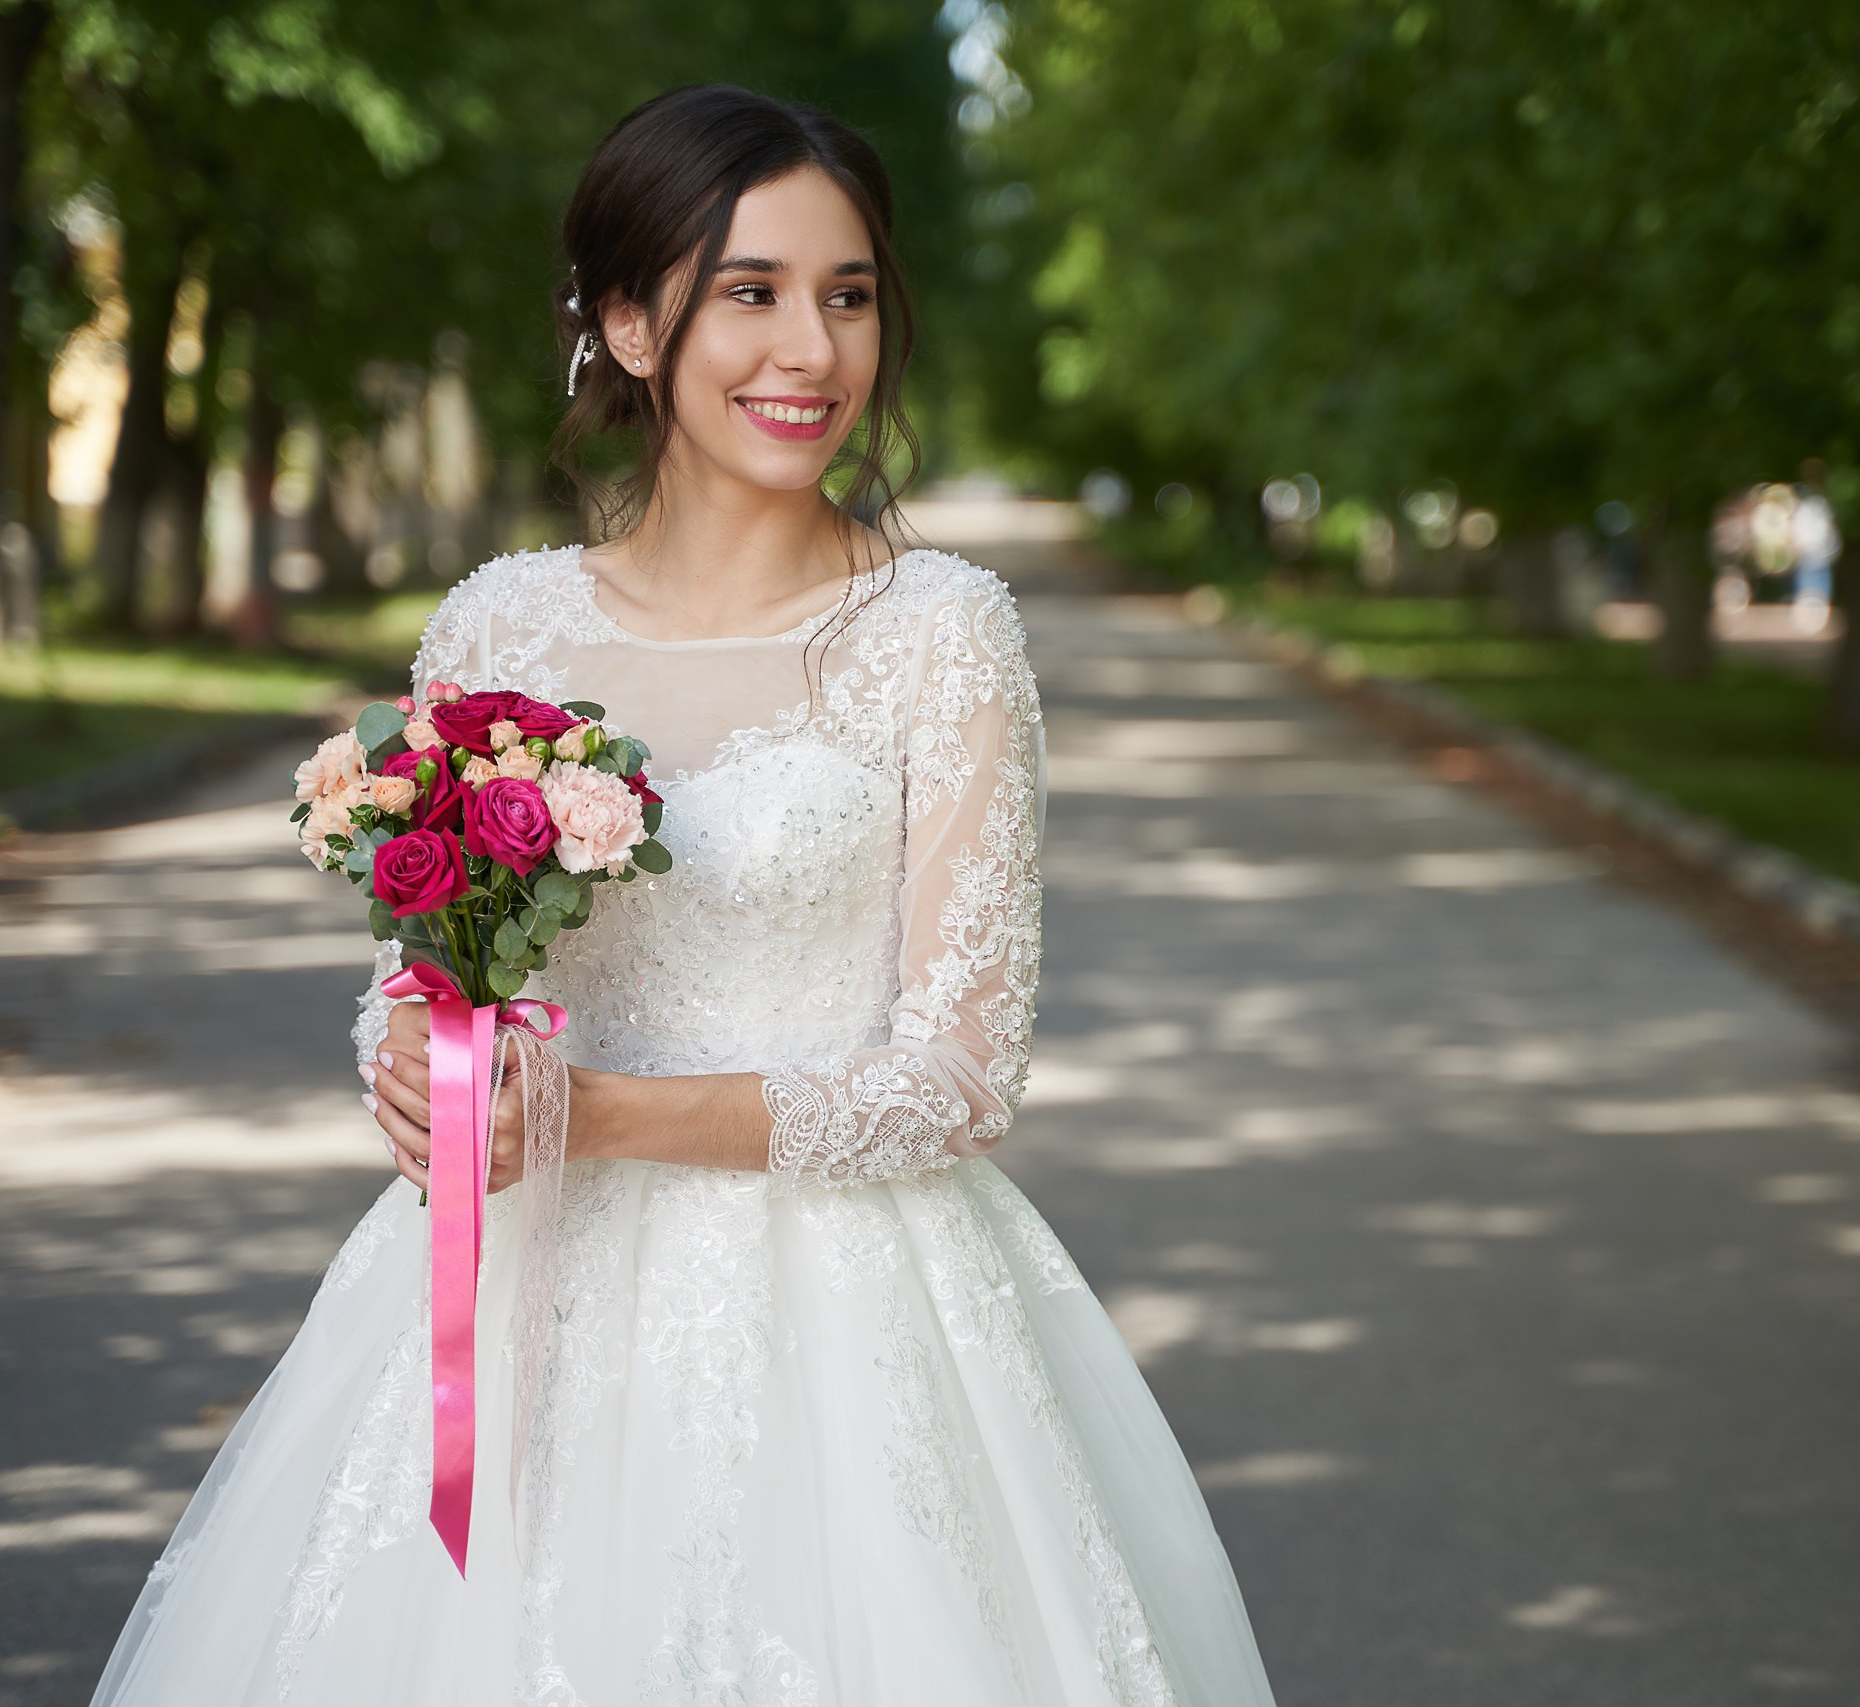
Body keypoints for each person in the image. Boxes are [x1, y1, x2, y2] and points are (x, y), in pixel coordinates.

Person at [90, 85, 1278, 1707]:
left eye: (848, 296)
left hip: (851, 1331)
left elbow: (962, 1077)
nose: (813, 350)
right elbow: (419, 971)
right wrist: (411, 1066)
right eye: (754, 292)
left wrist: (602, 1113)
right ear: (634, 326)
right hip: (521, 1317)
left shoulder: (940, 633)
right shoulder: (500, 625)